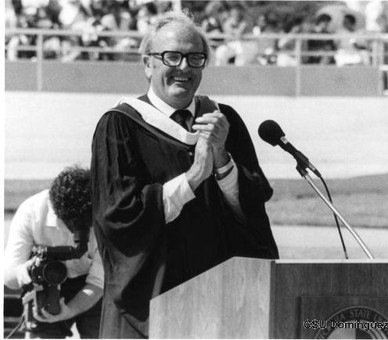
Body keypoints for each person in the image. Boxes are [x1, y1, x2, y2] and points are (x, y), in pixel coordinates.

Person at [91, 9, 279, 339]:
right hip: (149, 308)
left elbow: (252, 215)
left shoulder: (222, 120)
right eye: (172, 56)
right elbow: (118, 217)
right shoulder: (120, 125)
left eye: (195, 58)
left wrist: (222, 162)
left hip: (220, 305)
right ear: (148, 64)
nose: (184, 68)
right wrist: (193, 178)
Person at [4, 166, 103, 339]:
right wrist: (30, 268)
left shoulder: (103, 215)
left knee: (100, 333)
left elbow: (99, 281)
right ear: (56, 212)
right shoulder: (31, 212)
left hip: (90, 284)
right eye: (71, 225)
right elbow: (9, 279)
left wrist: (70, 310)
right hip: (44, 284)